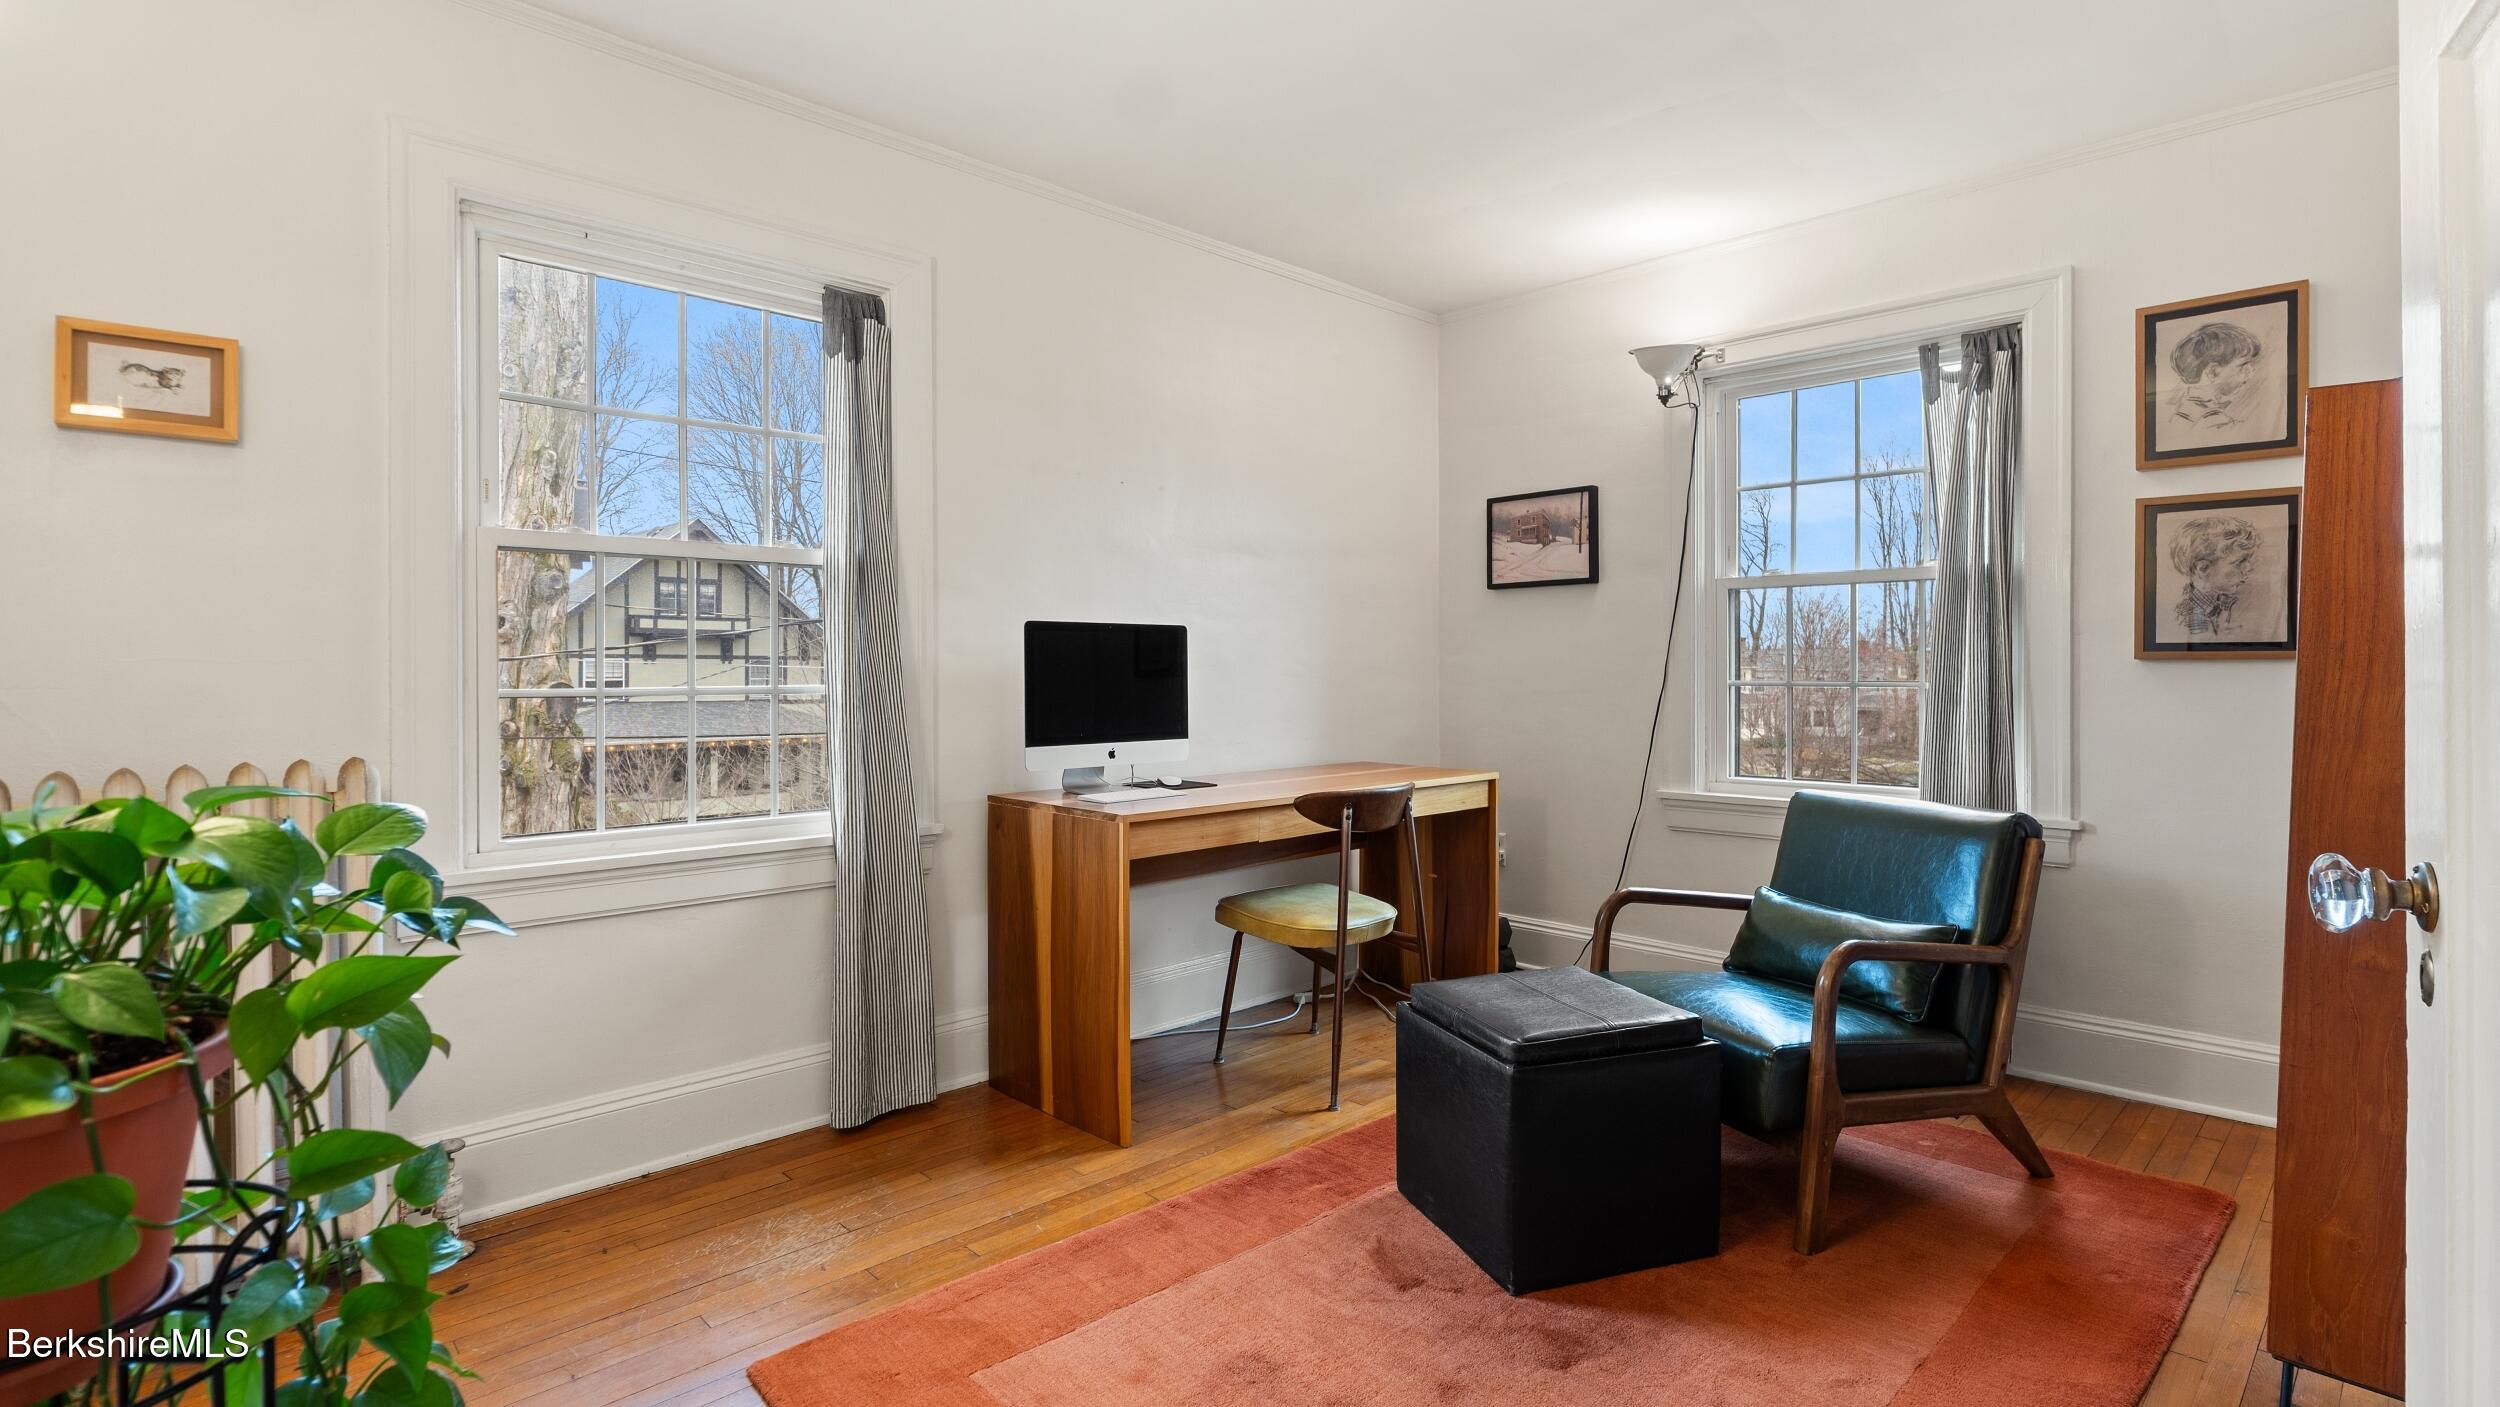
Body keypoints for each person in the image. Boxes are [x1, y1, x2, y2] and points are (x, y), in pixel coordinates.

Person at [2162, 320, 2280, 449]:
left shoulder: (2182, 416)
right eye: (2243, 366)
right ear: (2213, 372)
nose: (2251, 370)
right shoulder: (2219, 426)